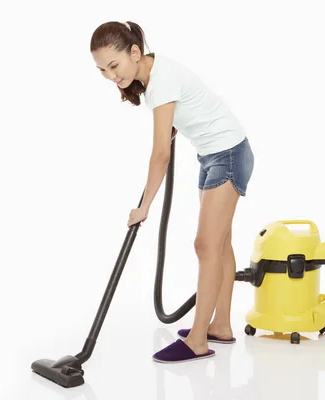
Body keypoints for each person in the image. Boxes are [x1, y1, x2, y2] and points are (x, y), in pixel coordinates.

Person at [90, 21, 255, 363]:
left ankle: (197, 340)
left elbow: (160, 154)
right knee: (220, 244)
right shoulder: (152, 76)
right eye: (103, 70)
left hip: (228, 155)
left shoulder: (160, 80)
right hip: (215, 155)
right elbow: (185, 116)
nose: (111, 76)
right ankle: (220, 325)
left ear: (134, 52)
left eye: (114, 66)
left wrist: (145, 207)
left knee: (205, 245)